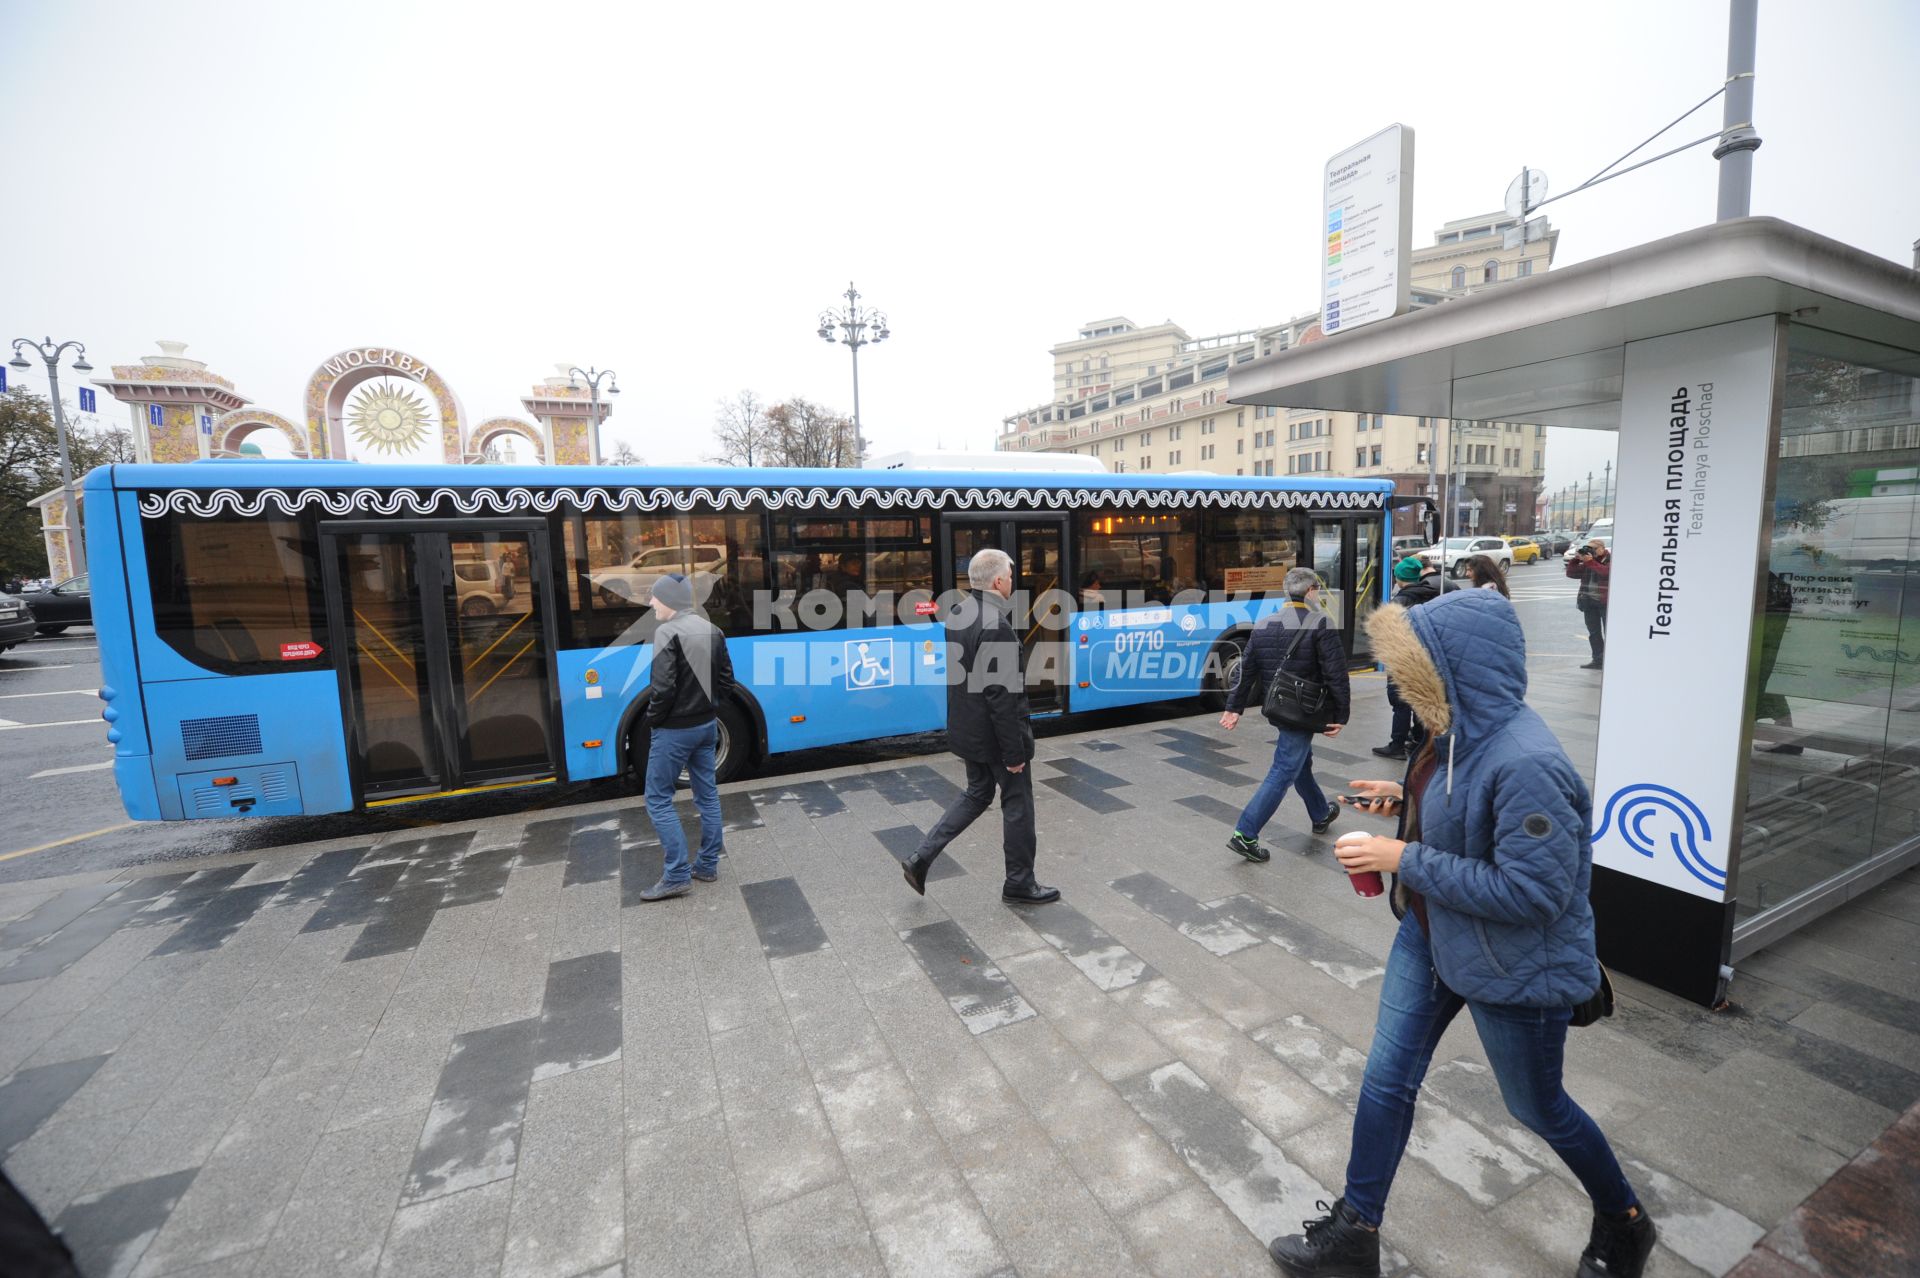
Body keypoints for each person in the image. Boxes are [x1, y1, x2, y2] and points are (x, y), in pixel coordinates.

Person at [1267, 589, 1656, 1278]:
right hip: (1430, 936)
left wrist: (1401, 858)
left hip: (1512, 965)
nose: (1398, 683)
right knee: (1387, 1080)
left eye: (1412, 669)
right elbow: (1460, 811)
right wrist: (1401, 800)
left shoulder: (1528, 762)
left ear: (1454, 671)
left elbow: (1534, 893)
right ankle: (1356, 1233)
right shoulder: (1454, 734)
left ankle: (1625, 1220)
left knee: (1540, 1109)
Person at [901, 548, 1058, 905]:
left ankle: (920, 858)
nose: (1012, 584)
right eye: (1011, 578)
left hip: (968, 731)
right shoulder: (996, 625)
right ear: (999, 581)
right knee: (1018, 805)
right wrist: (1014, 752)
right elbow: (1000, 695)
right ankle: (1020, 882)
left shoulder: (958, 614)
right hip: (996, 737)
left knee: (976, 793)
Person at [1220, 567, 1351, 862]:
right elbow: (1336, 675)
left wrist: (1233, 707)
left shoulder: (1264, 624)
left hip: (1277, 707)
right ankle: (1245, 833)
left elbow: (1246, 671)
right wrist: (1341, 714)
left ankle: (1320, 813)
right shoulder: (1320, 623)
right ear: (1311, 591)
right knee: (1283, 769)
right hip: (1304, 711)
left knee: (1299, 764)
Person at [635, 573, 738, 902]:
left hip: (674, 731)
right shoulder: (713, 630)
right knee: (706, 795)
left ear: (670, 601)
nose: (651, 603)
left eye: (655, 597)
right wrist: (709, 709)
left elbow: (662, 689)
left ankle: (677, 874)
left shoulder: (666, 632)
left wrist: (654, 720)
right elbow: (727, 682)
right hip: (707, 726)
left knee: (657, 798)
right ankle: (707, 865)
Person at [1373, 557, 1435, 761]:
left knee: (1400, 704)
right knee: (1418, 702)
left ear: (1399, 578)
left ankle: (1397, 746)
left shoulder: (1399, 601)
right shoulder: (1431, 595)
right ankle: (1419, 741)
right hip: (1426, 659)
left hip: (1404, 660)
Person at [1755, 570, 1802, 754]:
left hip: (1762, 637)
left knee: (1759, 682)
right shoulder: (1771, 581)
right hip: (1764, 637)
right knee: (1761, 681)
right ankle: (1787, 736)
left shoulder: (1765, 580)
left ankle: (1787, 736)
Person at [1567, 541, 1611, 669]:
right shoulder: (1588, 562)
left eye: (1594, 549)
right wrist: (1575, 560)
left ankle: (1611, 660)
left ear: (1602, 548)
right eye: (1589, 549)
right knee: (1594, 633)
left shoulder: (1609, 559)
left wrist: (1590, 561)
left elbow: (1605, 572)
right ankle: (1598, 660)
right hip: (1589, 601)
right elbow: (1571, 574)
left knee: (1609, 632)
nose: (1591, 551)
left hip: (1605, 602)